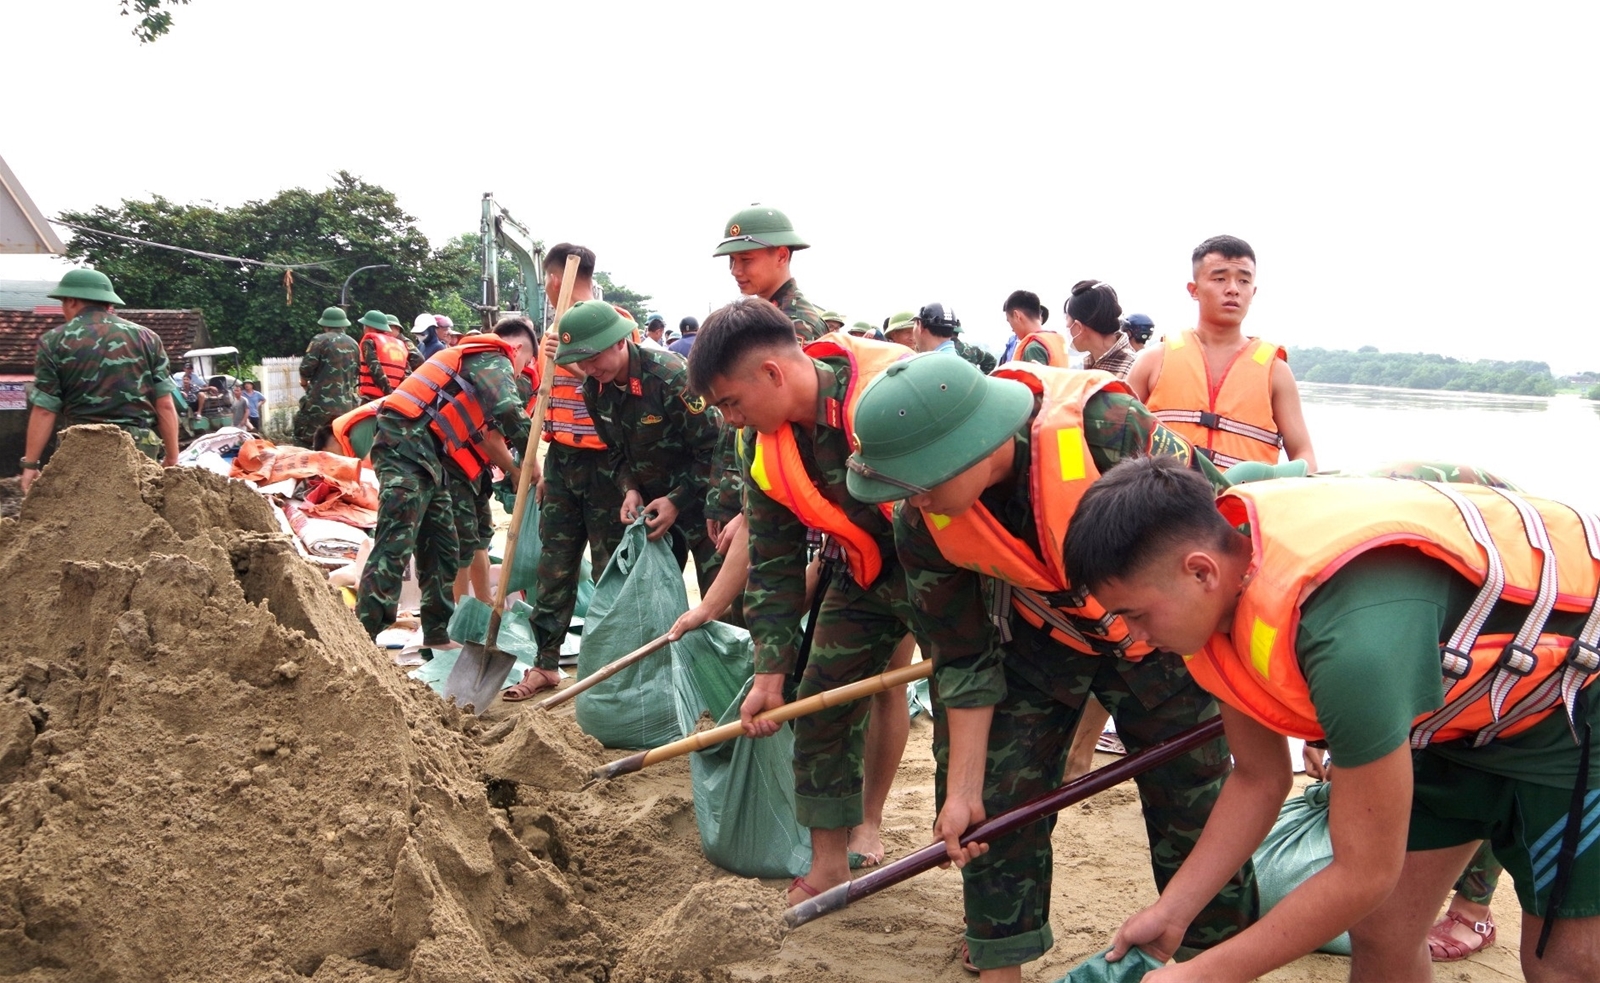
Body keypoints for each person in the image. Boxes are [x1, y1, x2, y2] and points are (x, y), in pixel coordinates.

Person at [1063, 456, 1600, 982]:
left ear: (1200, 570)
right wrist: (1173, 912)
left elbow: (1364, 872)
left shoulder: (1350, 648)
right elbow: (1259, 776)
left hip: (1575, 705)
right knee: (1384, 932)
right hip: (1453, 705)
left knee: (1562, 962)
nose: (1131, 636)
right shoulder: (1218, 590)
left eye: (1135, 615)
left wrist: (1203, 974)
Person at [846, 354, 1252, 980]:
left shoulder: (1107, 427)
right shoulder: (920, 523)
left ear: (974, 446)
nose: (913, 499)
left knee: (1196, 803)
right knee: (994, 805)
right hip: (1044, 643)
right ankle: (1000, 961)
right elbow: (963, 655)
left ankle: (1216, 958)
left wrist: (1249, 682)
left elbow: (1222, 548)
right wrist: (962, 792)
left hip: (1166, 644)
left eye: (920, 482)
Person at [687, 296, 916, 905]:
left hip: (950, 572)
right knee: (818, 705)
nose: (731, 420)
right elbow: (774, 563)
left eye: (732, 402)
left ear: (772, 373)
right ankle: (828, 867)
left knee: (973, 723)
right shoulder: (767, 449)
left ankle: (988, 910)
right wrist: (770, 670)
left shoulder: (886, 397)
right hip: (863, 575)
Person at [355, 320, 537, 647]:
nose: (521, 372)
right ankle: (361, 638)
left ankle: (437, 633)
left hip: (429, 452)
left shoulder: (478, 360)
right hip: (403, 444)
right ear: (519, 349)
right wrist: (531, 461)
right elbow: (508, 408)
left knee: (443, 546)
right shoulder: (493, 357)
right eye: (524, 366)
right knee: (396, 540)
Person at [506, 243, 629, 700]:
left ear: (552, 277)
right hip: (561, 460)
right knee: (552, 566)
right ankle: (545, 664)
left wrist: (573, 362)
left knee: (608, 567)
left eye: (546, 279)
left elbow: (618, 380)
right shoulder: (552, 327)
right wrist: (536, 464)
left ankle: (613, 668)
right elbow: (544, 400)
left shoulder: (608, 318)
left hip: (605, 463)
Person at [555, 300, 720, 590]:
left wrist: (675, 500)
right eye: (580, 361)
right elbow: (614, 450)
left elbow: (716, 449)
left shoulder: (669, 378)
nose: (588, 368)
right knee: (648, 599)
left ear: (619, 342)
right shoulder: (596, 389)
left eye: (593, 357)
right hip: (654, 511)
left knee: (723, 602)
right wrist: (629, 488)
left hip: (705, 503)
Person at [703, 204, 830, 554]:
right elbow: (735, 424)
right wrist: (722, 496)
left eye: (746, 260)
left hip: (767, 499)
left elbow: (780, 429)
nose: (735, 271)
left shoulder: (795, 325)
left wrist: (746, 510)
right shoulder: (754, 318)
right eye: (731, 262)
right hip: (743, 489)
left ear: (782, 256)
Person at [1128, 235, 1317, 470]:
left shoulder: (1276, 372)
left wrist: (1279, 477)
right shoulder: (1152, 361)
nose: (1233, 290)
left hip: (1240, 503)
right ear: (1194, 290)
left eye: (1244, 281)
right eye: (1219, 278)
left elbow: (1304, 454)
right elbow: (1117, 439)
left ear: (1253, 292)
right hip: (1166, 504)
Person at [21, 269, 181, 493]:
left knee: (81, 515)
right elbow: (164, 403)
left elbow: (45, 410)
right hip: (138, 446)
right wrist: (172, 458)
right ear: (107, 303)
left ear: (72, 301)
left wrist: (30, 464)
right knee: (139, 513)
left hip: (80, 445)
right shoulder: (148, 338)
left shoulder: (53, 341)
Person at [293, 306, 362, 448]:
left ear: (325, 324)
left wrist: (304, 383)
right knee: (338, 442)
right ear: (344, 324)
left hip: (319, 404)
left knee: (304, 440)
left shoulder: (320, 340)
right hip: (346, 406)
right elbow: (357, 371)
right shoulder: (354, 344)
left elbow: (306, 368)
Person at [1063, 280, 1136, 378]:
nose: (1067, 327)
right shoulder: (1092, 362)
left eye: (1067, 319)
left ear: (1078, 327)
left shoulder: (1131, 370)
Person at [1002, 289, 1068, 367]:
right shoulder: (1056, 341)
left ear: (1017, 316)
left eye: (1010, 322)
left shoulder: (1033, 348)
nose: (1012, 330)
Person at [356, 310, 410, 400]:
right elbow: (407, 372)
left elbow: (375, 368)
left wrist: (388, 392)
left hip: (372, 398)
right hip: (394, 398)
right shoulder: (400, 345)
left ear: (369, 327)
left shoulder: (369, 342)